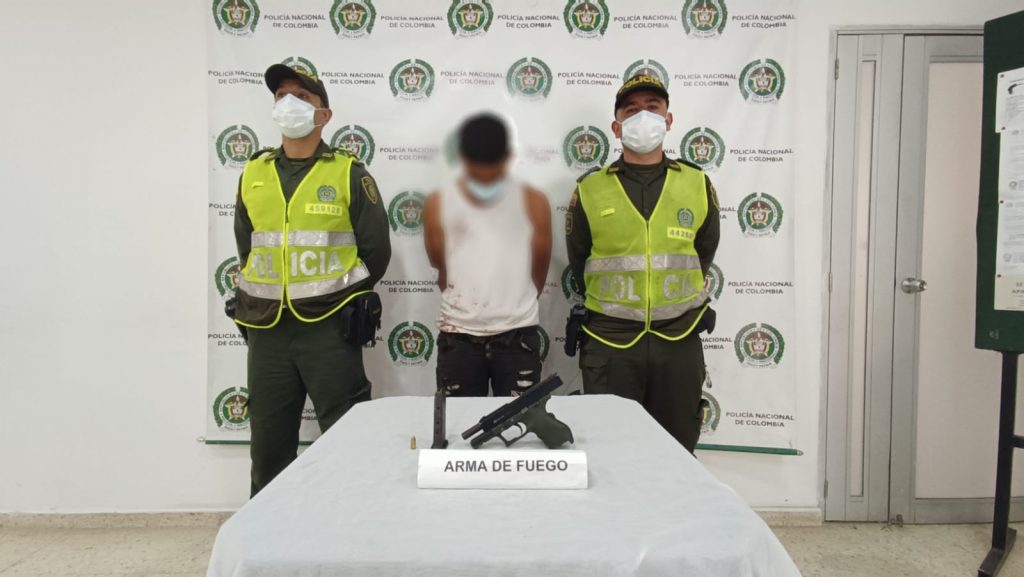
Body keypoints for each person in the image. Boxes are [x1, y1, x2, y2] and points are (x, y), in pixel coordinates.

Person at [232, 63, 391, 496]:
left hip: (330, 330)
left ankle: (353, 527)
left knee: (348, 442)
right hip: (266, 331)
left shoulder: (348, 172)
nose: (289, 104)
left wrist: (341, 297)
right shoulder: (254, 173)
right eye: (281, 96)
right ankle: (269, 532)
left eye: (302, 97)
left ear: (324, 114)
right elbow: (248, 248)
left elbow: (376, 252)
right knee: (268, 450)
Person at [565, 75, 721, 452]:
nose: (643, 117)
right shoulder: (590, 189)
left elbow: (704, 252)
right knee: (612, 452)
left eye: (653, 108)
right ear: (616, 127)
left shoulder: (697, 184)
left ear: (668, 120)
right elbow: (579, 258)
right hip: (610, 343)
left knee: (678, 450)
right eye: (631, 110)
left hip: (678, 339)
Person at [423, 113, 552, 397]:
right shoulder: (438, 202)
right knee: (459, 421)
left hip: (517, 333)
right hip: (458, 334)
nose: (484, 176)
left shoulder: (533, 201)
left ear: (508, 157)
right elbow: (439, 263)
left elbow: (540, 265)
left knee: (521, 421)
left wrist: (513, 303)